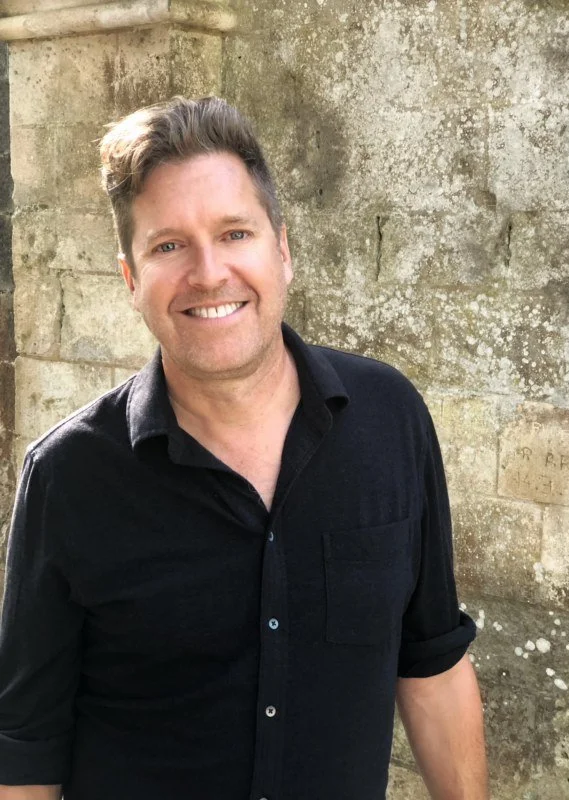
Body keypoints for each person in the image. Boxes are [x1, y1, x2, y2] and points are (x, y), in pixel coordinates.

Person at [0, 96, 488, 800]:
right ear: (131, 278)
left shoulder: (391, 417)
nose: (208, 273)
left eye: (234, 233)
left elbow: (432, 662)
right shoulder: (68, 475)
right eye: (169, 246)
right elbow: (25, 747)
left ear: (282, 251)